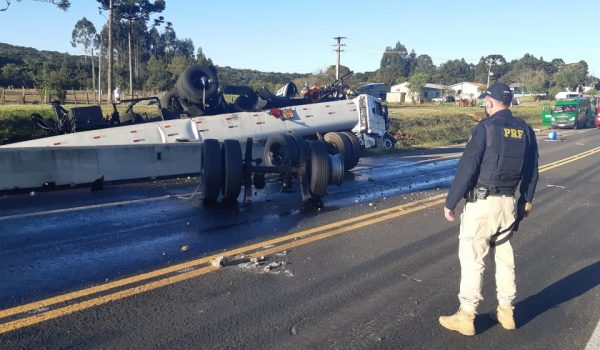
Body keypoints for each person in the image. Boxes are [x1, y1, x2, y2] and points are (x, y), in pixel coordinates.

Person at [439, 82, 539, 336]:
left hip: (482, 205)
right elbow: (531, 171)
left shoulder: (486, 128)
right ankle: (507, 313)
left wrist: (451, 203)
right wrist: (525, 200)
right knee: (505, 260)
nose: (485, 104)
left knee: (473, 259)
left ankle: (467, 315)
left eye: (486, 101)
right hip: (508, 204)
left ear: (490, 102)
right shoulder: (525, 130)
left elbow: (468, 167)